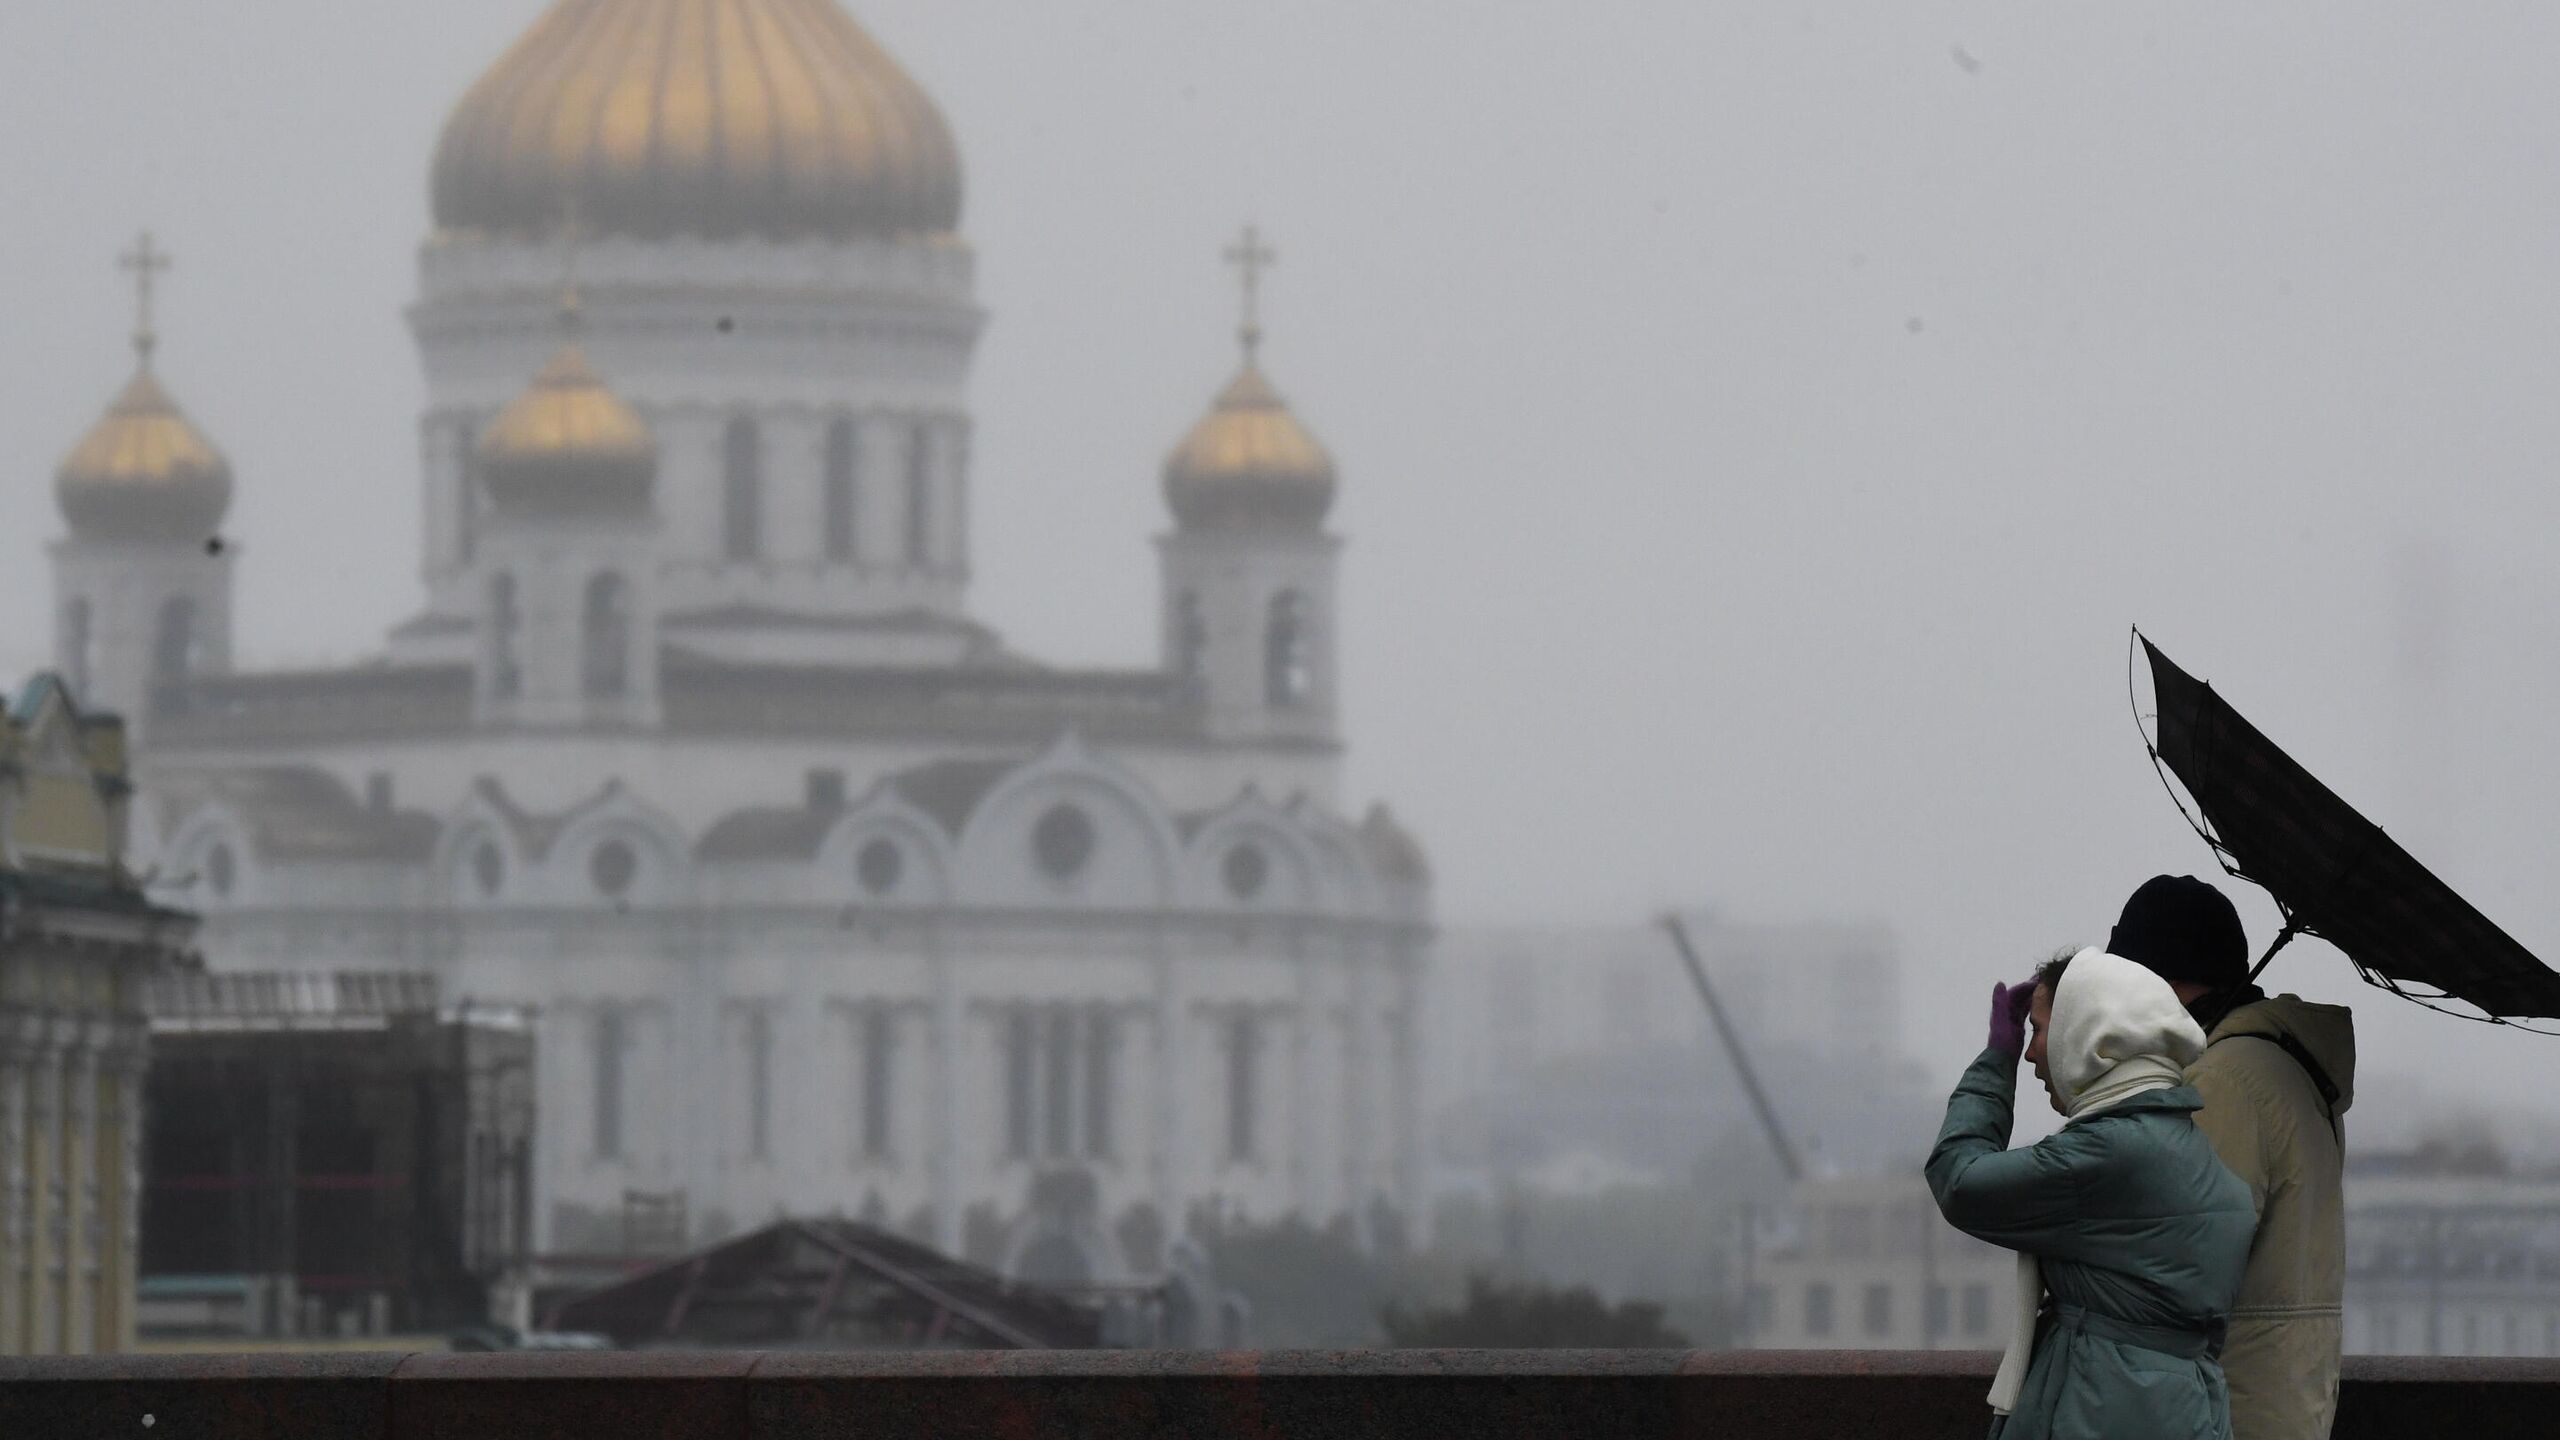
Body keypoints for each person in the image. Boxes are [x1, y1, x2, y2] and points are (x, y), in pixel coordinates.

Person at [1928, 947, 2256, 1440]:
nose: (2031, 1051)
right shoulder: (2182, 1145)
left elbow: (1959, 1182)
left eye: (2038, 1031)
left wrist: (1996, 1057)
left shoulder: (2110, 1154)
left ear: (2084, 1038)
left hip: (2103, 1406)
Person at [2106, 875, 2356, 1440]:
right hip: (2282, 1396)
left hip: (2225, 1409)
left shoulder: (2224, 1082)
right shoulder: (2288, 1067)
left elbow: (2180, 1262)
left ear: (2160, 980)